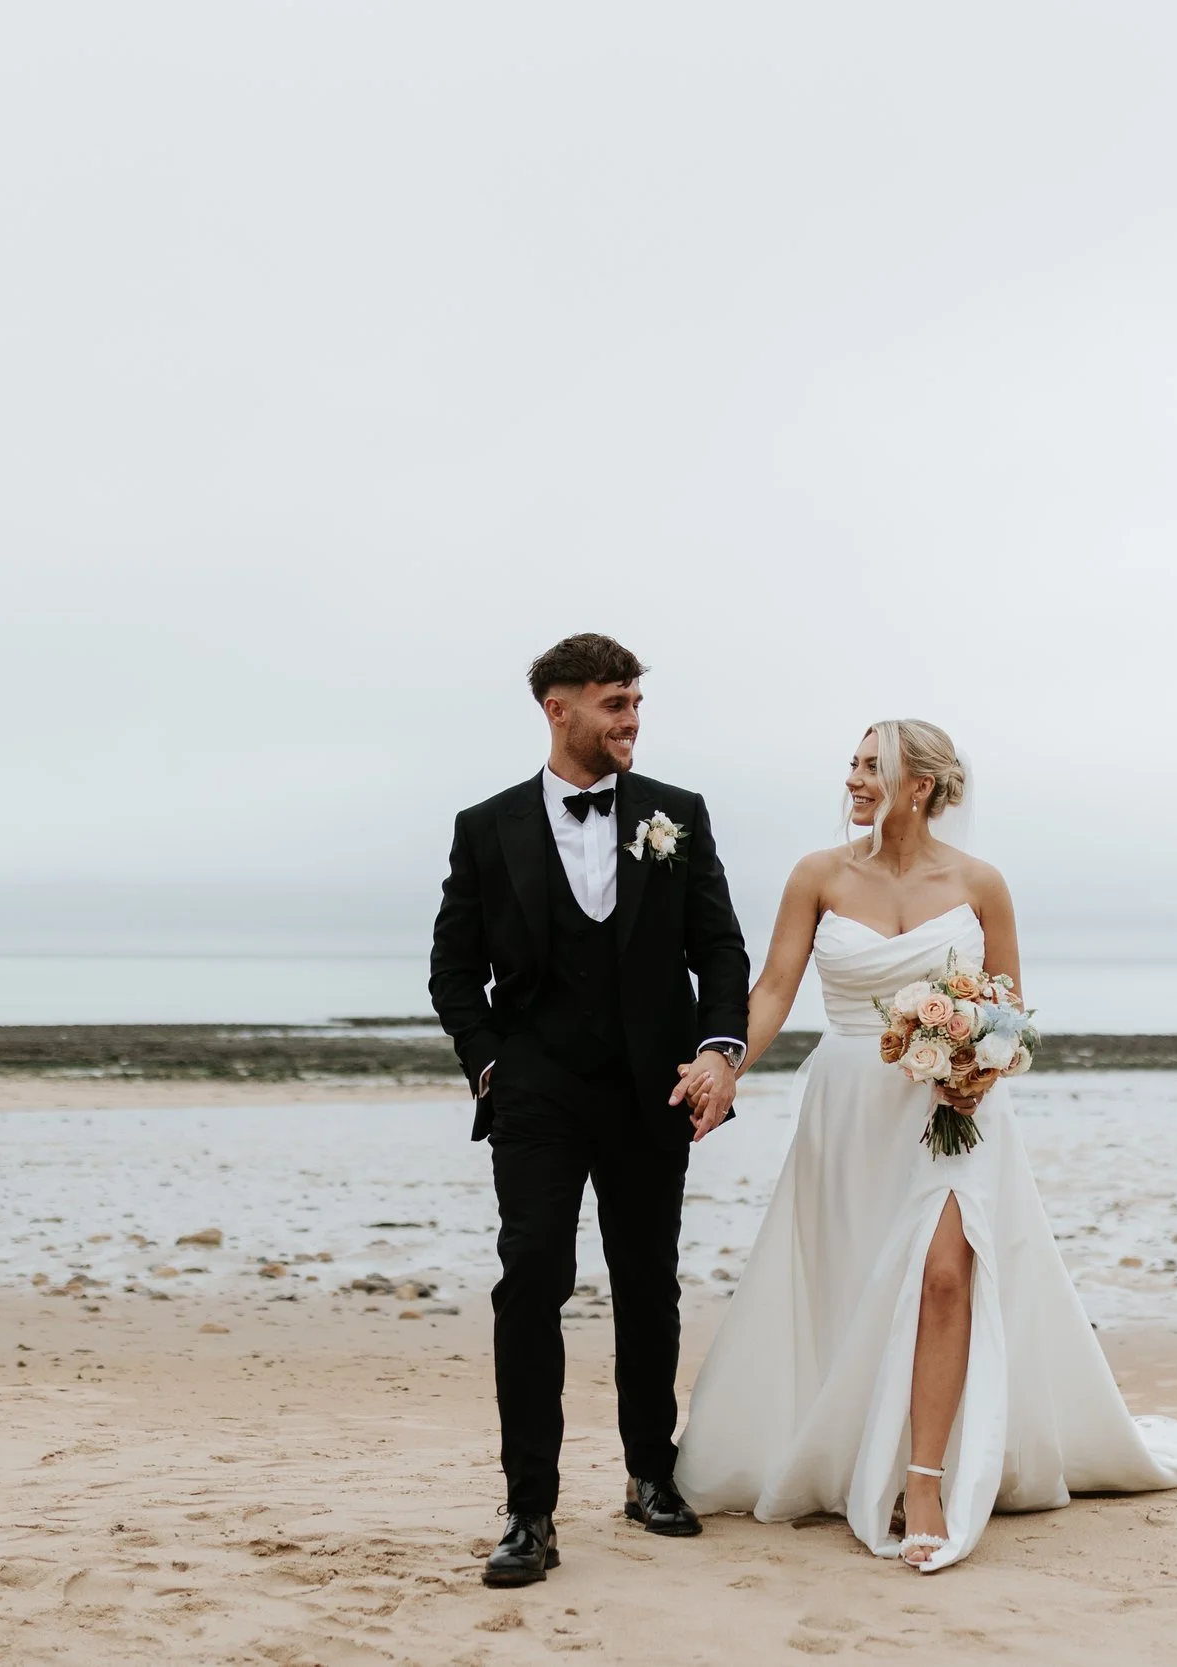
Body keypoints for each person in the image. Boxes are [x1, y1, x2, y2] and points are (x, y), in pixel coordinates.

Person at [671, 719, 1177, 1572]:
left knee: (947, 1274)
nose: (856, 779)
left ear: (923, 786)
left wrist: (980, 1064)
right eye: (854, 764)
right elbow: (775, 989)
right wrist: (724, 1062)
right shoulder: (818, 876)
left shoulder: (981, 884)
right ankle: (852, 1441)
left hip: (952, 1107)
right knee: (854, 1280)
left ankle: (926, 1478)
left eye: (875, 766)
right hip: (846, 1106)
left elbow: (1011, 1010)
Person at [428, 633, 752, 1588]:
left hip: (653, 1087)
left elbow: (721, 951)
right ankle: (530, 1509)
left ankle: (650, 1472)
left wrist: (718, 1051)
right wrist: (490, 1066)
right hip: (537, 1092)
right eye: (615, 703)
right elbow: (454, 971)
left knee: (648, 1281)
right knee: (530, 1279)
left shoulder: (676, 815)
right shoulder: (484, 827)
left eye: (638, 703)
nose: (632, 720)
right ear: (557, 708)